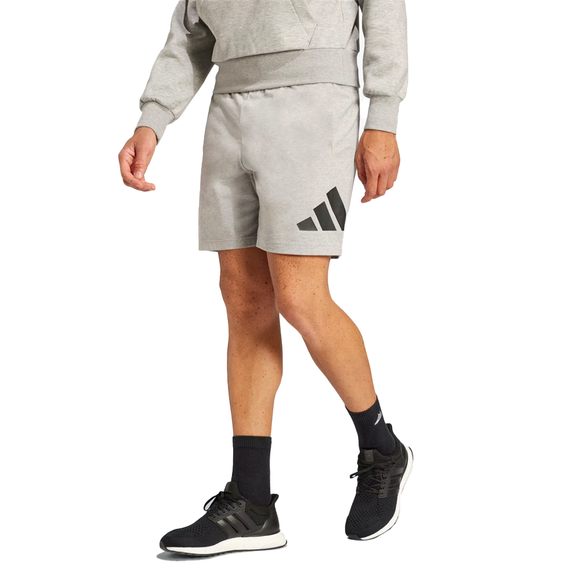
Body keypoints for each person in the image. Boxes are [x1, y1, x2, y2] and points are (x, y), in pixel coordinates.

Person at [118, 0, 412, 557]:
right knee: (244, 299)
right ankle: (252, 501)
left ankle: (381, 448)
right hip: (229, 105)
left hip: (315, 103)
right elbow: (190, 31)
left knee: (300, 297)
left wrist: (383, 117)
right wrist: (152, 119)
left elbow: (383, 8)